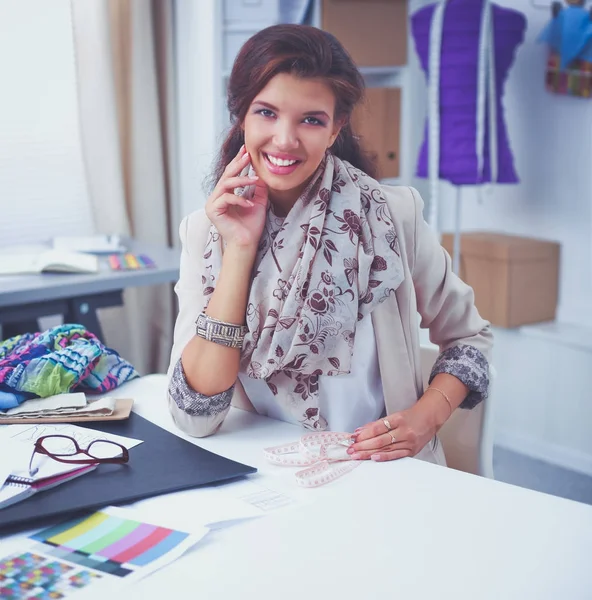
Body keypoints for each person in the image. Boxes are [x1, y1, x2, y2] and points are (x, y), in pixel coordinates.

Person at [166, 24, 492, 466]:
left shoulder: (392, 215)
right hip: (265, 473)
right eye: (266, 113)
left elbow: (469, 338)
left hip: (385, 473)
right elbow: (195, 414)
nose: (284, 139)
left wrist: (426, 417)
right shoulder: (206, 232)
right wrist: (239, 250)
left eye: (311, 119)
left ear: (336, 126)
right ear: (241, 114)